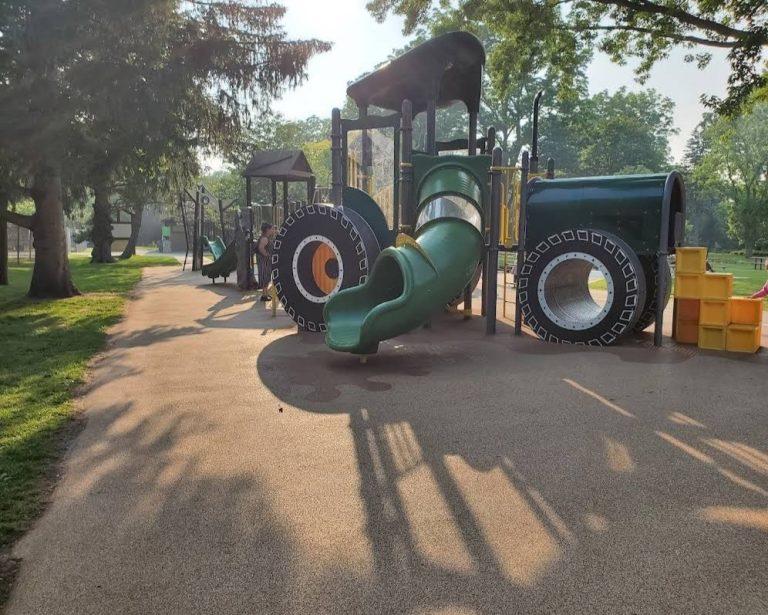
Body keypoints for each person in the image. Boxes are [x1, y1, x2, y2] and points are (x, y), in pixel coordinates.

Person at [256, 223, 275, 301]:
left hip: (266, 261)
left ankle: (266, 293)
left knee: (267, 276)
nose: (272, 230)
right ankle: (264, 295)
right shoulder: (264, 238)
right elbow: (261, 248)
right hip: (264, 261)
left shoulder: (266, 237)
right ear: (267, 229)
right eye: (271, 229)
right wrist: (267, 255)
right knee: (264, 276)